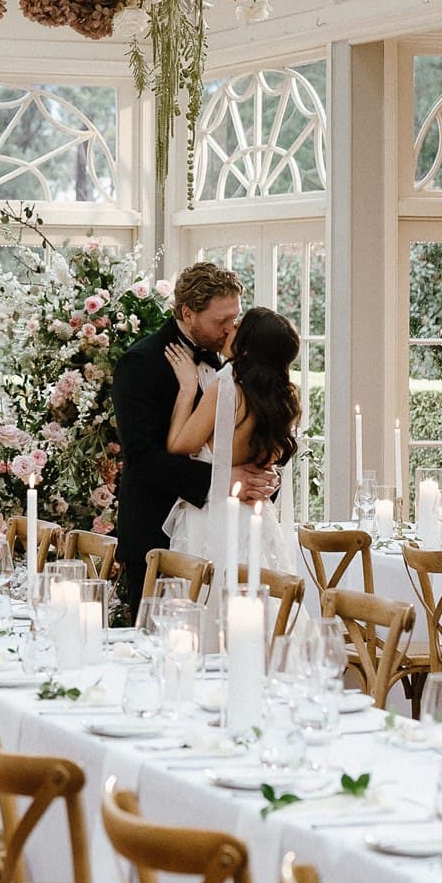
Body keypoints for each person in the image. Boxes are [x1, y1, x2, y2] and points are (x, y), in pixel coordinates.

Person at [112, 262, 279, 623]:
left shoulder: (237, 361)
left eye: (235, 318)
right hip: (156, 536)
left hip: (228, 535)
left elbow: (250, 436)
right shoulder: (140, 364)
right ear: (188, 313)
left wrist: (262, 479)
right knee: (160, 650)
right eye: (221, 321)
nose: (231, 328)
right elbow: (143, 459)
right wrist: (224, 481)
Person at [160, 305, 301, 581]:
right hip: (254, 519)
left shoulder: (226, 388)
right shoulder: (284, 401)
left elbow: (179, 445)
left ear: (247, 347)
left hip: (213, 519)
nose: (229, 328)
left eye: (237, 326)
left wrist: (187, 389)